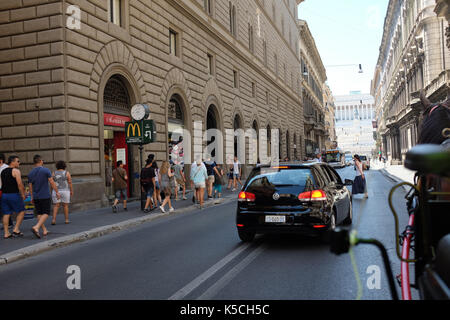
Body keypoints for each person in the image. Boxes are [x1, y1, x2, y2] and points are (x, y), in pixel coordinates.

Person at [28, 155, 60, 238]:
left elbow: (30, 186)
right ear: (41, 161)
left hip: (36, 196)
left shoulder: (30, 173)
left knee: (39, 213)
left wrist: (31, 196)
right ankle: (36, 227)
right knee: (46, 213)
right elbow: (52, 182)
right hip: (44, 195)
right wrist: (57, 192)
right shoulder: (46, 170)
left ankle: (44, 230)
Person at [1, 156, 26, 239]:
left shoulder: (3, 171)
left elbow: (2, 184)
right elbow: (19, 184)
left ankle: (6, 233)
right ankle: (16, 229)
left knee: (6, 213)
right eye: (18, 161)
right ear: (12, 162)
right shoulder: (16, 171)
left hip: (4, 195)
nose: (19, 163)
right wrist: (23, 194)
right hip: (13, 194)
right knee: (22, 211)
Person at [51, 161, 73, 225]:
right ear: (64, 166)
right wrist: (71, 190)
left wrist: (52, 190)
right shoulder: (67, 173)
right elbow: (70, 182)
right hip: (65, 191)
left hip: (56, 191)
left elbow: (51, 183)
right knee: (65, 205)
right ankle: (66, 220)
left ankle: (53, 220)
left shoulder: (54, 173)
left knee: (56, 205)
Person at [0, 153, 13, 230]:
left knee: (4, 207)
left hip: (3, 190)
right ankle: (8, 223)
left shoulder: (6, 168)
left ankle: (9, 223)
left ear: (1, 160)